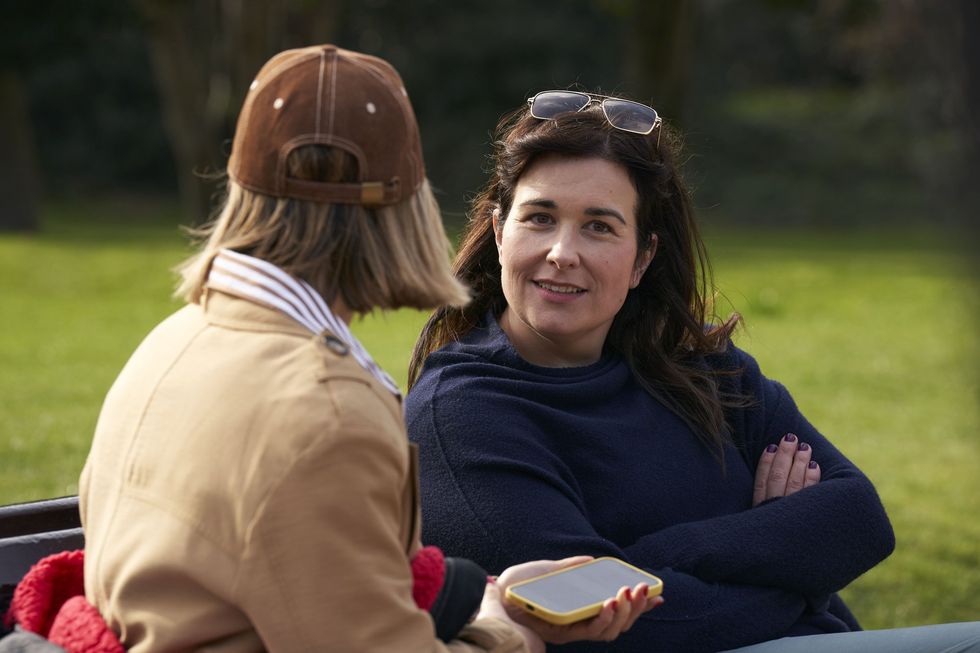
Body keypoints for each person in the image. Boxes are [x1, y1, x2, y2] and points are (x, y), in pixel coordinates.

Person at [76, 54, 658, 653]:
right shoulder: (325, 413)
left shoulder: (176, 339)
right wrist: (515, 633)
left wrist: (487, 600)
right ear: (399, 210)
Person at [405, 90, 980, 652]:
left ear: (643, 258)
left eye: (599, 226)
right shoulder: (461, 412)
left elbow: (858, 520)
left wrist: (646, 559)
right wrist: (792, 570)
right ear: (501, 233)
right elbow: (601, 626)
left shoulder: (696, 367)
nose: (562, 251)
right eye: (540, 218)